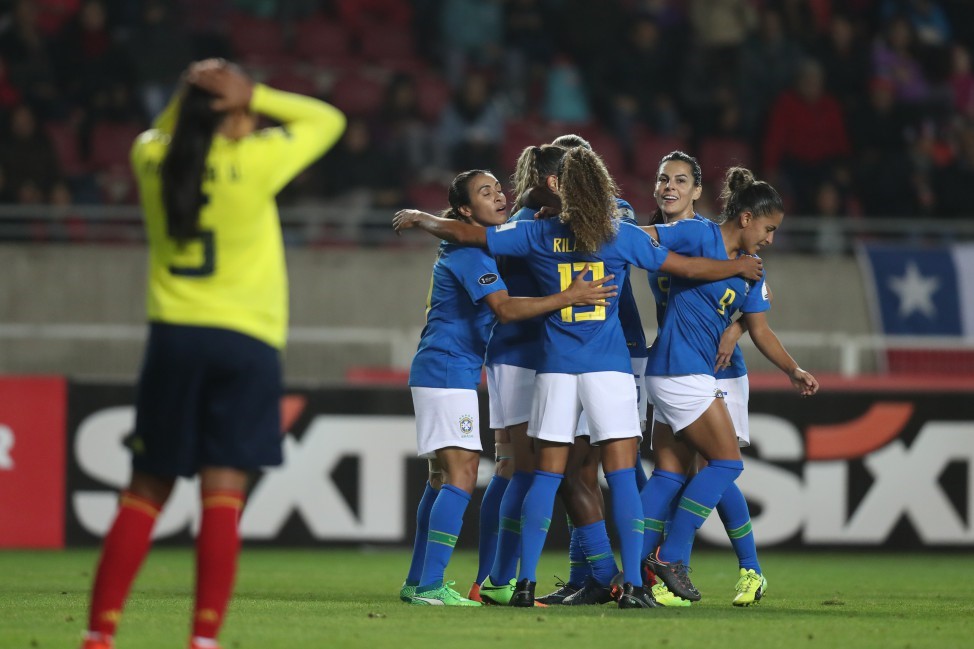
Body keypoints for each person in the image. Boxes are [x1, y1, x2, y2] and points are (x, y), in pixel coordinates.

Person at [394, 146, 763, 609]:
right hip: (609, 366)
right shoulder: (619, 234)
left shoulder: (537, 232)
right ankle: (632, 583)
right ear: (603, 187)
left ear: (559, 189)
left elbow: (475, 238)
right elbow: (683, 267)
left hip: (554, 368)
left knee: (544, 477)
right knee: (624, 475)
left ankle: (522, 582)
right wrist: (737, 267)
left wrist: (426, 219)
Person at [80, 59, 347, 649]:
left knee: (146, 489)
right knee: (222, 493)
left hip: (174, 338)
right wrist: (254, 90)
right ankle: (202, 640)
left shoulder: (150, 159)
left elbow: (162, 130)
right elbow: (328, 119)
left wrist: (193, 92)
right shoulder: (253, 163)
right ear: (236, 114)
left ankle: (99, 634)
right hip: (246, 342)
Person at [399, 168, 619, 607]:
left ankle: (417, 580)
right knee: (461, 474)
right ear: (465, 210)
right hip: (447, 372)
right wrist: (569, 296)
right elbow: (504, 308)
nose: (499, 196)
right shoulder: (469, 253)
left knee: (441, 478)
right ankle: (430, 586)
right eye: (486, 192)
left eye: (499, 188)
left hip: (442, 371)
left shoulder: (471, 246)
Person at [640, 165, 819, 603]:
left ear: (698, 189)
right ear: (746, 218)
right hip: (683, 368)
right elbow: (647, 241)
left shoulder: (750, 266)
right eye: (769, 228)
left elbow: (758, 325)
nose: (771, 239)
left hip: (714, 371)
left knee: (686, 472)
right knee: (719, 467)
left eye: (681, 181)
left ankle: (645, 570)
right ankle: (670, 560)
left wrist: (788, 366)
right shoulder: (694, 235)